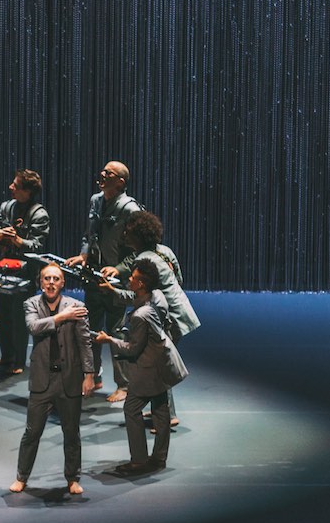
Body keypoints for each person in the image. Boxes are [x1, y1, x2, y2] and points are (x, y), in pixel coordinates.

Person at [101, 210, 200, 429]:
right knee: (157, 364)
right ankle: (162, 411)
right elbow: (178, 279)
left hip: (169, 318)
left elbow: (138, 296)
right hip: (181, 311)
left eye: (128, 233)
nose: (124, 235)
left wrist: (112, 291)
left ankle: (166, 416)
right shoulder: (164, 251)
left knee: (157, 366)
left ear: (137, 237)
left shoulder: (142, 260)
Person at [94, 259, 188, 471]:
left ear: (142, 284)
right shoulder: (157, 296)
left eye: (133, 278)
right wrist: (113, 290)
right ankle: (159, 458)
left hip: (149, 368)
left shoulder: (140, 316)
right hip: (162, 360)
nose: (129, 279)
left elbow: (132, 349)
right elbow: (133, 297)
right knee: (161, 411)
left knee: (131, 408)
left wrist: (109, 340)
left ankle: (139, 460)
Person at [65, 161, 144, 403]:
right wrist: (83, 254)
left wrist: (119, 269)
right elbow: (89, 234)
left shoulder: (130, 209)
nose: (102, 174)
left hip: (116, 281)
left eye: (108, 173)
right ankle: (93, 375)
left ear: (120, 181)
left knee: (116, 331)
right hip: (94, 275)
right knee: (90, 327)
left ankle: (124, 384)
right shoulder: (95, 200)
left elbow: (139, 249)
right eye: (103, 170)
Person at [13, 262, 94, 494]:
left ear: (63, 283)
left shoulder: (77, 306)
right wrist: (62, 317)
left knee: (71, 432)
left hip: (69, 378)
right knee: (32, 432)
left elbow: (85, 342)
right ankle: (21, 477)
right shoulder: (31, 304)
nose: (51, 283)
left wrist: (89, 375)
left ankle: (72, 478)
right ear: (40, 282)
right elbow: (33, 327)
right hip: (42, 379)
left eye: (55, 279)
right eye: (46, 279)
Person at [0, 168, 50, 374]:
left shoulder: (39, 214)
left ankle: (18, 361)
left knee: (19, 317)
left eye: (16, 186)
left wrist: (16, 239)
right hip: (4, 269)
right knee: (3, 314)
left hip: (25, 273)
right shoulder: (6, 207)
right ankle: (6, 356)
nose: (11, 187)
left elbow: (37, 246)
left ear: (28, 191)